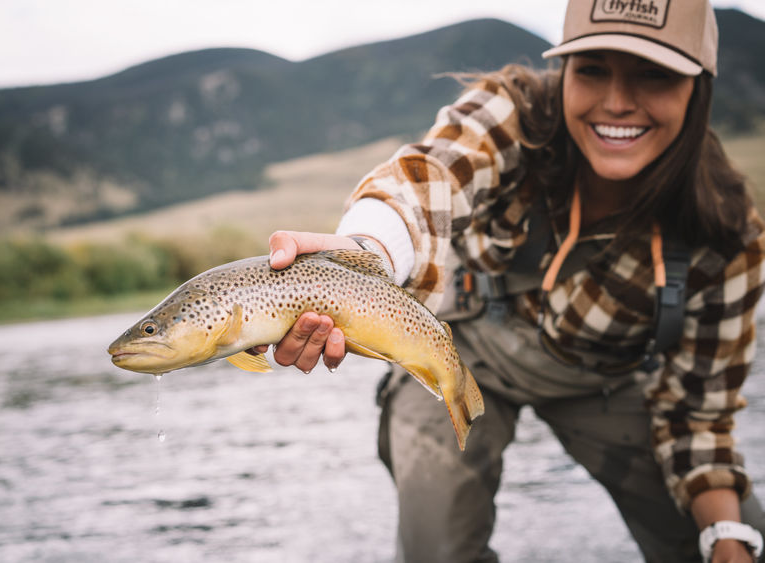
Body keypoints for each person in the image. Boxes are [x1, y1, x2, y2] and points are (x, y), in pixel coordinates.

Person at [252, 0, 765, 560]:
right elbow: (431, 177)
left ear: (700, 88)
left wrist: (726, 539)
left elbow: (698, 414)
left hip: (607, 380)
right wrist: (366, 251)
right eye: (592, 68)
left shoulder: (728, 234)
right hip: (461, 346)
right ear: (564, 72)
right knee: (435, 549)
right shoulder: (516, 111)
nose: (618, 102)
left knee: (736, 539)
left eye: (655, 74)